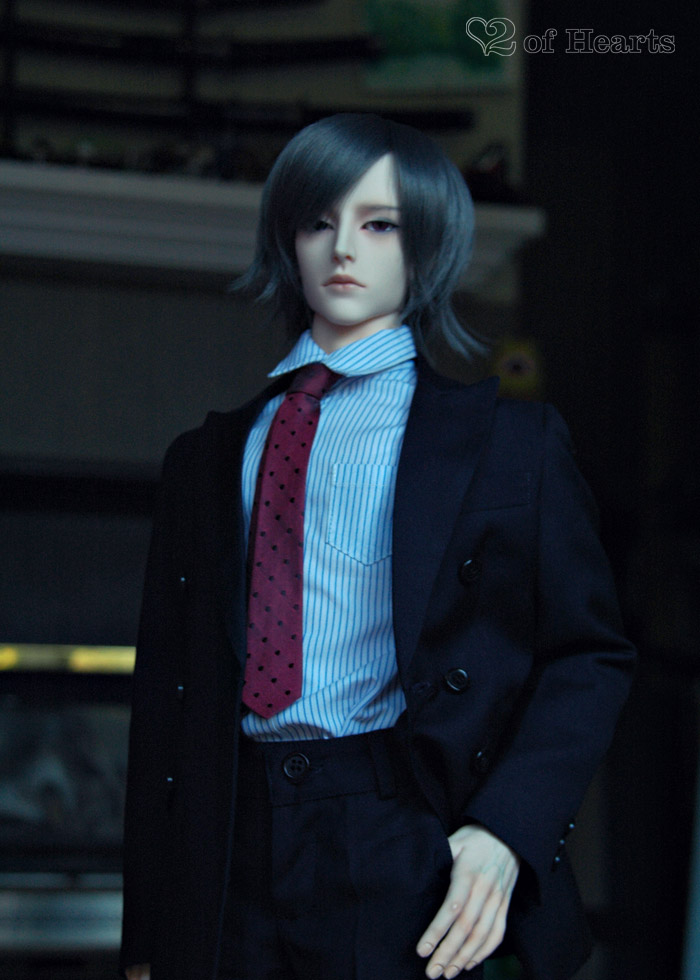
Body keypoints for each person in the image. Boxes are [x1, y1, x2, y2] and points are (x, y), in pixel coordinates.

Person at [120, 113, 636, 980]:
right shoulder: (204, 458)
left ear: (426, 246)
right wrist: (145, 941)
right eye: (319, 222)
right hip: (229, 832)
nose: (343, 249)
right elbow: (161, 698)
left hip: (401, 826)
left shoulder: (508, 444)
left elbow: (589, 655)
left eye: (380, 224)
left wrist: (507, 828)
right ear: (288, 240)